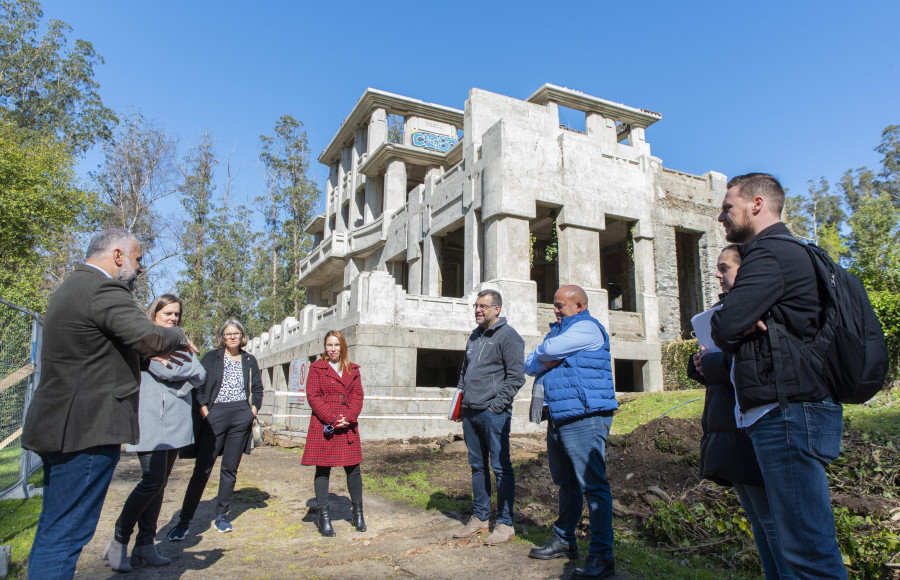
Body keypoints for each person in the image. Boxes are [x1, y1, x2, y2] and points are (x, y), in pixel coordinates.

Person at [21, 228, 192, 580]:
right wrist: (178, 336)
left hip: (61, 425)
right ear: (118, 255)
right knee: (67, 535)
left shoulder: (72, 286)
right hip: (85, 431)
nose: (140, 267)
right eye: (138, 258)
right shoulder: (103, 288)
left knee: (54, 530)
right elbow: (150, 336)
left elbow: (93, 353)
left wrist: (144, 361)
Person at [711, 173, 847, 579]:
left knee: (807, 552)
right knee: (797, 544)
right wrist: (742, 319)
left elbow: (725, 325)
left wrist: (739, 318)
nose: (721, 216)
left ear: (756, 204)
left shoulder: (768, 255)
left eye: (727, 206)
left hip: (789, 413)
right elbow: (735, 324)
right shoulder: (785, 254)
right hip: (789, 411)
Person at [689, 246, 796, 580]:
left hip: (754, 424)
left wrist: (711, 363)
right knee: (759, 522)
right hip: (728, 425)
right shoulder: (722, 313)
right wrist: (698, 364)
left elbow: (751, 362)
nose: (718, 275)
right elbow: (717, 365)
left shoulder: (762, 311)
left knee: (773, 523)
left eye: (724, 268)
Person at [102, 295, 206, 572]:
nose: (173, 319)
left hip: (175, 420)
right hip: (150, 419)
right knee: (152, 480)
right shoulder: (141, 341)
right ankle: (119, 539)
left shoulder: (178, 342)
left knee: (160, 484)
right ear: (154, 314)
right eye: (167, 313)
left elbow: (200, 372)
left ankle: (145, 545)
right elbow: (163, 368)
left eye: (177, 315)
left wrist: (169, 366)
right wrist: (156, 362)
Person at [524, 285, 616, 580]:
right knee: (567, 483)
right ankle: (565, 540)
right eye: (555, 305)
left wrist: (544, 354)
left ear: (578, 305)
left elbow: (547, 352)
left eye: (560, 305)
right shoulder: (559, 332)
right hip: (560, 414)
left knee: (593, 485)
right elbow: (530, 364)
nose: (555, 310)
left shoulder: (587, 327)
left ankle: (603, 557)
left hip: (585, 415)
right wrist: (543, 356)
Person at [168, 318, 263, 539]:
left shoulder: (249, 360)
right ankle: (185, 520)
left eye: (236, 333)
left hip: (240, 415)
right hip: (215, 415)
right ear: (222, 336)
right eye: (228, 333)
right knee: (202, 470)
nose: (232, 337)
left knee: (229, 470)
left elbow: (257, 388)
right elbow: (198, 386)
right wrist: (206, 413)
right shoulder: (211, 358)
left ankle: (221, 516)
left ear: (242, 336)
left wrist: (252, 412)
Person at [451, 289, 525, 546]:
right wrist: (460, 404)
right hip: (470, 412)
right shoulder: (474, 336)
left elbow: (516, 377)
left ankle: (505, 523)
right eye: (475, 306)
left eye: (483, 306)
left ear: (497, 309)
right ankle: (481, 517)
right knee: (477, 466)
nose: (477, 310)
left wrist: (496, 407)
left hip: (493, 414)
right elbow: (465, 372)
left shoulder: (509, 337)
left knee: (501, 468)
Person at [301, 330, 366, 537]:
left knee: (353, 469)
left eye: (337, 345)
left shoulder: (353, 369)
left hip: (348, 424)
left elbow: (358, 396)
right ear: (325, 348)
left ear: (343, 347)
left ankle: (358, 514)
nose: (333, 349)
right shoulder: (316, 368)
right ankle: (324, 518)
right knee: (323, 469)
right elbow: (313, 396)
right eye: (329, 345)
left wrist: (350, 416)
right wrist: (331, 418)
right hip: (324, 425)